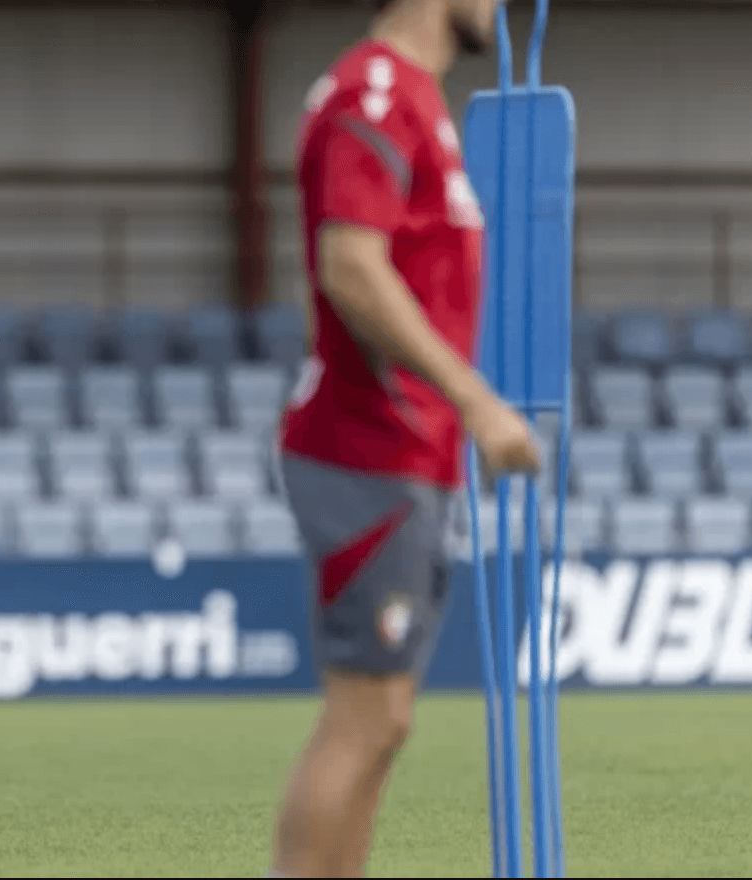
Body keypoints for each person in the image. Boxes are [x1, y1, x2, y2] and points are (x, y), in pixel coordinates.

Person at [270, 0, 540, 875]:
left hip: (407, 453)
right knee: (364, 718)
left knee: (385, 720)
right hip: (364, 445)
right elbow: (350, 264)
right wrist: (478, 403)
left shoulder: (419, 99)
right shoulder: (374, 92)